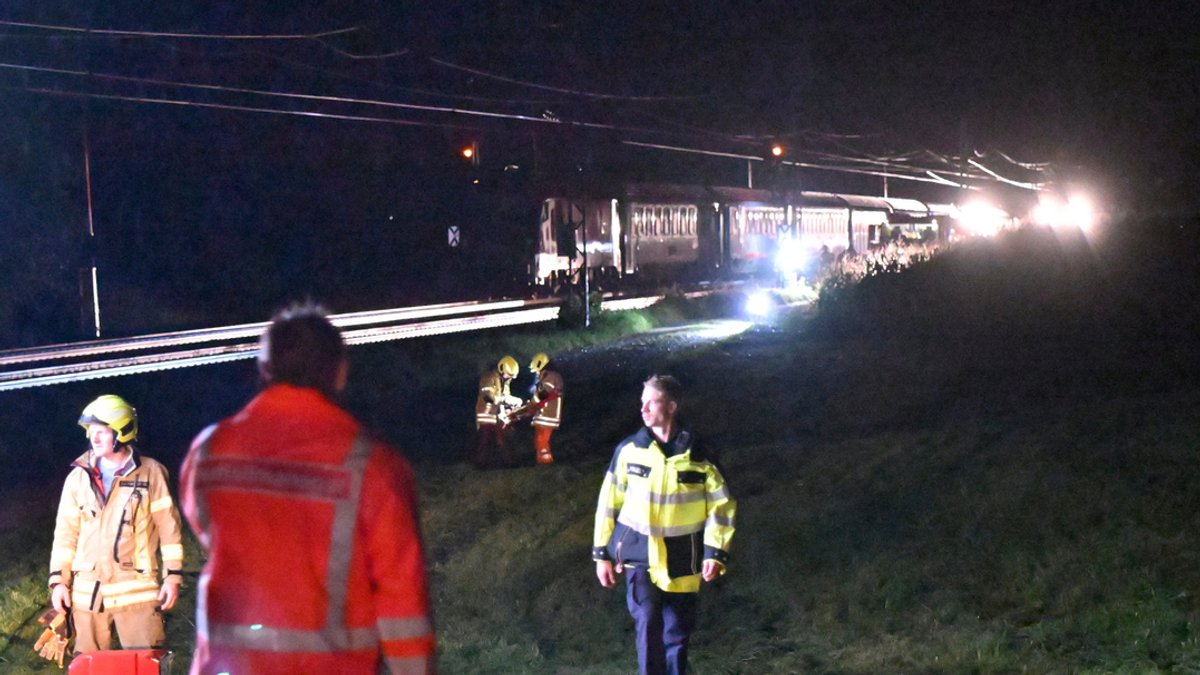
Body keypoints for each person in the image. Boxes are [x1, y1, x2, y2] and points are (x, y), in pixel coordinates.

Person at [180, 303, 435, 674]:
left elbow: (204, 525)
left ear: (265, 369)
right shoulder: (373, 465)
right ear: (340, 373)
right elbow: (402, 602)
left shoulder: (209, 450)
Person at [593, 375, 736, 675]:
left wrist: (715, 552)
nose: (643, 409)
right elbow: (608, 503)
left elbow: (721, 506)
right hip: (638, 556)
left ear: (671, 406)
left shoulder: (701, 456)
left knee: (677, 634)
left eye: (651, 402)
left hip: (684, 559)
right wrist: (601, 554)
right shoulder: (629, 450)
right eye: (641, 402)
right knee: (647, 623)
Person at [48, 394, 184, 654]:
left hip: (137, 593)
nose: (93, 439)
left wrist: (172, 577)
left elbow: (169, 529)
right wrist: (59, 583)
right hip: (89, 595)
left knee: (144, 666)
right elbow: (65, 535)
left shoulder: (151, 473)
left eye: (102, 432)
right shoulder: (78, 478)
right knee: (90, 668)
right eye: (91, 432)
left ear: (122, 432)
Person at [472, 355, 522, 467]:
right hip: (485, 414)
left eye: (511, 376)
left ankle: (509, 463)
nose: (509, 378)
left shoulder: (505, 382)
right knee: (484, 440)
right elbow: (488, 397)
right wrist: (505, 399)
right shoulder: (488, 377)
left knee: (502, 439)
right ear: (501, 369)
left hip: (497, 416)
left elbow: (505, 398)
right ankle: (480, 464)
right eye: (508, 375)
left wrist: (512, 404)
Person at [527, 352, 564, 464]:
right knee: (539, 441)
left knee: (542, 441)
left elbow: (542, 395)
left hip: (548, 415)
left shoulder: (550, 377)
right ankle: (541, 463)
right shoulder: (547, 376)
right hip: (544, 414)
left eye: (537, 370)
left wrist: (529, 405)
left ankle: (547, 464)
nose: (537, 373)